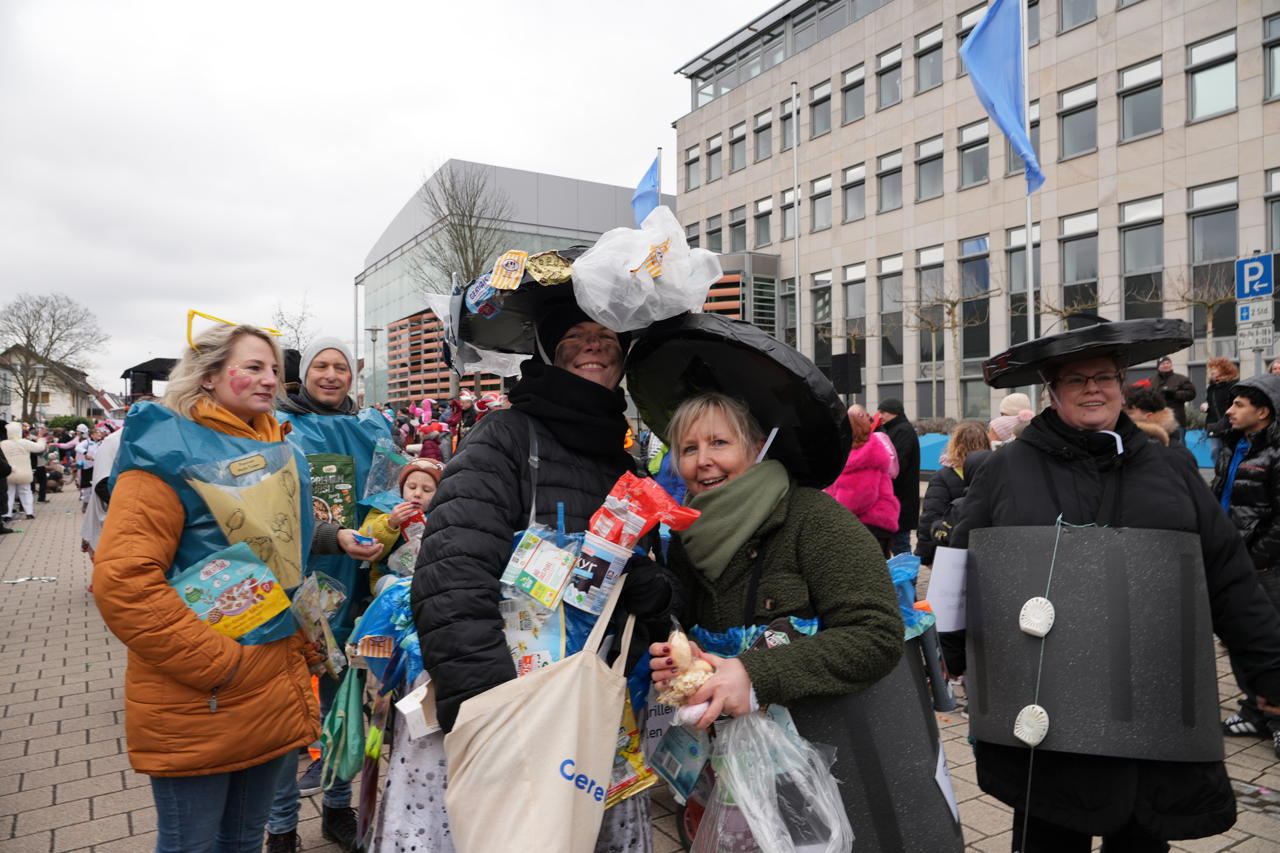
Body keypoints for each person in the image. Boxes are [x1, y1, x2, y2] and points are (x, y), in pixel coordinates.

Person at [954, 318, 1280, 851]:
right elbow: (962, 573)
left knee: (1142, 839)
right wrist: (957, 656)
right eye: (1076, 379)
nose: (1092, 389)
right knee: (1049, 838)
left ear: (1121, 385)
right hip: (1050, 715)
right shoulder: (1006, 470)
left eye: (1103, 376)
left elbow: (1228, 577)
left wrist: (1268, 673)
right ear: (1052, 392)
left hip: (1152, 713)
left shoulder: (1170, 468)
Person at [92, 322, 382, 853]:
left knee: (246, 839)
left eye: (274, 368)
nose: (270, 379)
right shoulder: (163, 450)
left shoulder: (283, 448)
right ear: (207, 374)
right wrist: (222, 665)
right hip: (202, 692)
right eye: (252, 367)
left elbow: (283, 552)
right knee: (192, 843)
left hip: (272, 680)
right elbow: (125, 583)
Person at [411, 301, 679, 850]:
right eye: (575, 335)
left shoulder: (624, 463)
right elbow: (451, 578)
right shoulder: (505, 437)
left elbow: (642, 584)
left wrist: (652, 592)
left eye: (606, 335)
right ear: (548, 354)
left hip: (601, 714)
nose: (594, 345)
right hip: (519, 707)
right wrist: (490, 712)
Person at [271, 336, 389, 853]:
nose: (331, 374)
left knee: (345, 701)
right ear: (306, 373)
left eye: (340, 366)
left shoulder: (370, 428)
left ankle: (338, 810)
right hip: (294, 585)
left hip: (357, 582)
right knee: (290, 710)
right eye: (322, 365)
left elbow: (393, 489)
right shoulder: (277, 428)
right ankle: (280, 828)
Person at [1213, 375, 1280, 755]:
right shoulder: (1231, 447)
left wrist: (1257, 560)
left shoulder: (1276, 453)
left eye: (1239, 404)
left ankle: (1277, 718)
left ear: (1264, 412)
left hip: (1263, 566)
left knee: (1270, 641)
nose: (1229, 410)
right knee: (1238, 639)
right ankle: (1255, 710)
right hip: (1231, 560)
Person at [825, 403, 899, 556]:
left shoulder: (864, 457)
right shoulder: (861, 451)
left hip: (869, 525)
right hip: (870, 525)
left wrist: (831, 513)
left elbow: (858, 498)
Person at [357, 457, 443, 585]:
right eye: (412, 487)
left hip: (427, 579)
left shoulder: (443, 515)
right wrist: (390, 523)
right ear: (402, 488)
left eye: (427, 490)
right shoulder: (385, 508)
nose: (417, 494)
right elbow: (365, 540)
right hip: (387, 578)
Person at [915, 420, 990, 565]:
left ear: (954, 444)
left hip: (950, 553)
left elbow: (930, 517)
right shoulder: (994, 472)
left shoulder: (943, 476)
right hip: (985, 552)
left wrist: (925, 555)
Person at [876, 398, 920, 555]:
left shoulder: (902, 431)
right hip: (898, 499)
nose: (879, 416)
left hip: (901, 498)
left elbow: (897, 464)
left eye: (883, 412)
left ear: (894, 412)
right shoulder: (894, 429)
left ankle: (906, 579)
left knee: (900, 545)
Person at [1, 422, 46, 520]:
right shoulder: (24, 442)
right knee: (26, 492)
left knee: (9, 493)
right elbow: (40, 448)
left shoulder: (3, 444)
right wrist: (41, 438)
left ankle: (7, 515)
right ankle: (29, 512)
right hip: (24, 473)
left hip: (10, 472)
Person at [1202, 357, 1238, 464]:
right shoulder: (1211, 388)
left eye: (1215, 368)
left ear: (1224, 369)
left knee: (1231, 451)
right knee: (1215, 451)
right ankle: (1219, 474)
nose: (1212, 370)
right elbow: (1212, 404)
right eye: (1211, 368)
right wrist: (1207, 407)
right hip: (1214, 424)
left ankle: (1230, 473)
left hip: (1230, 423)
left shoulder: (1233, 385)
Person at [1152, 356, 1195, 441]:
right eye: (1163, 363)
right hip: (1158, 421)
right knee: (1159, 447)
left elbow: (1192, 394)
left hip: (1177, 420)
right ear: (1158, 367)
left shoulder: (1181, 379)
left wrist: (1175, 394)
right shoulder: (1152, 380)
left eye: (1168, 363)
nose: (1166, 365)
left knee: (1179, 446)